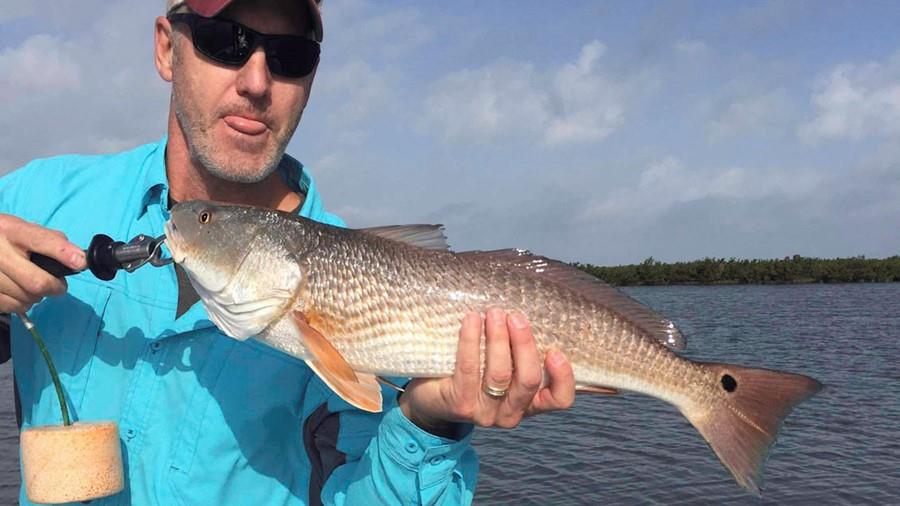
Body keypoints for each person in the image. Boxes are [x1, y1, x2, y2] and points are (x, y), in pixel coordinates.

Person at [0, 0, 576, 504]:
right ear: (166, 48)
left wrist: (431, 422)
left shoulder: (385, 300)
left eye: (290, 55)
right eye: (226, 41)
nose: (256, 81)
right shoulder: (35, 199)